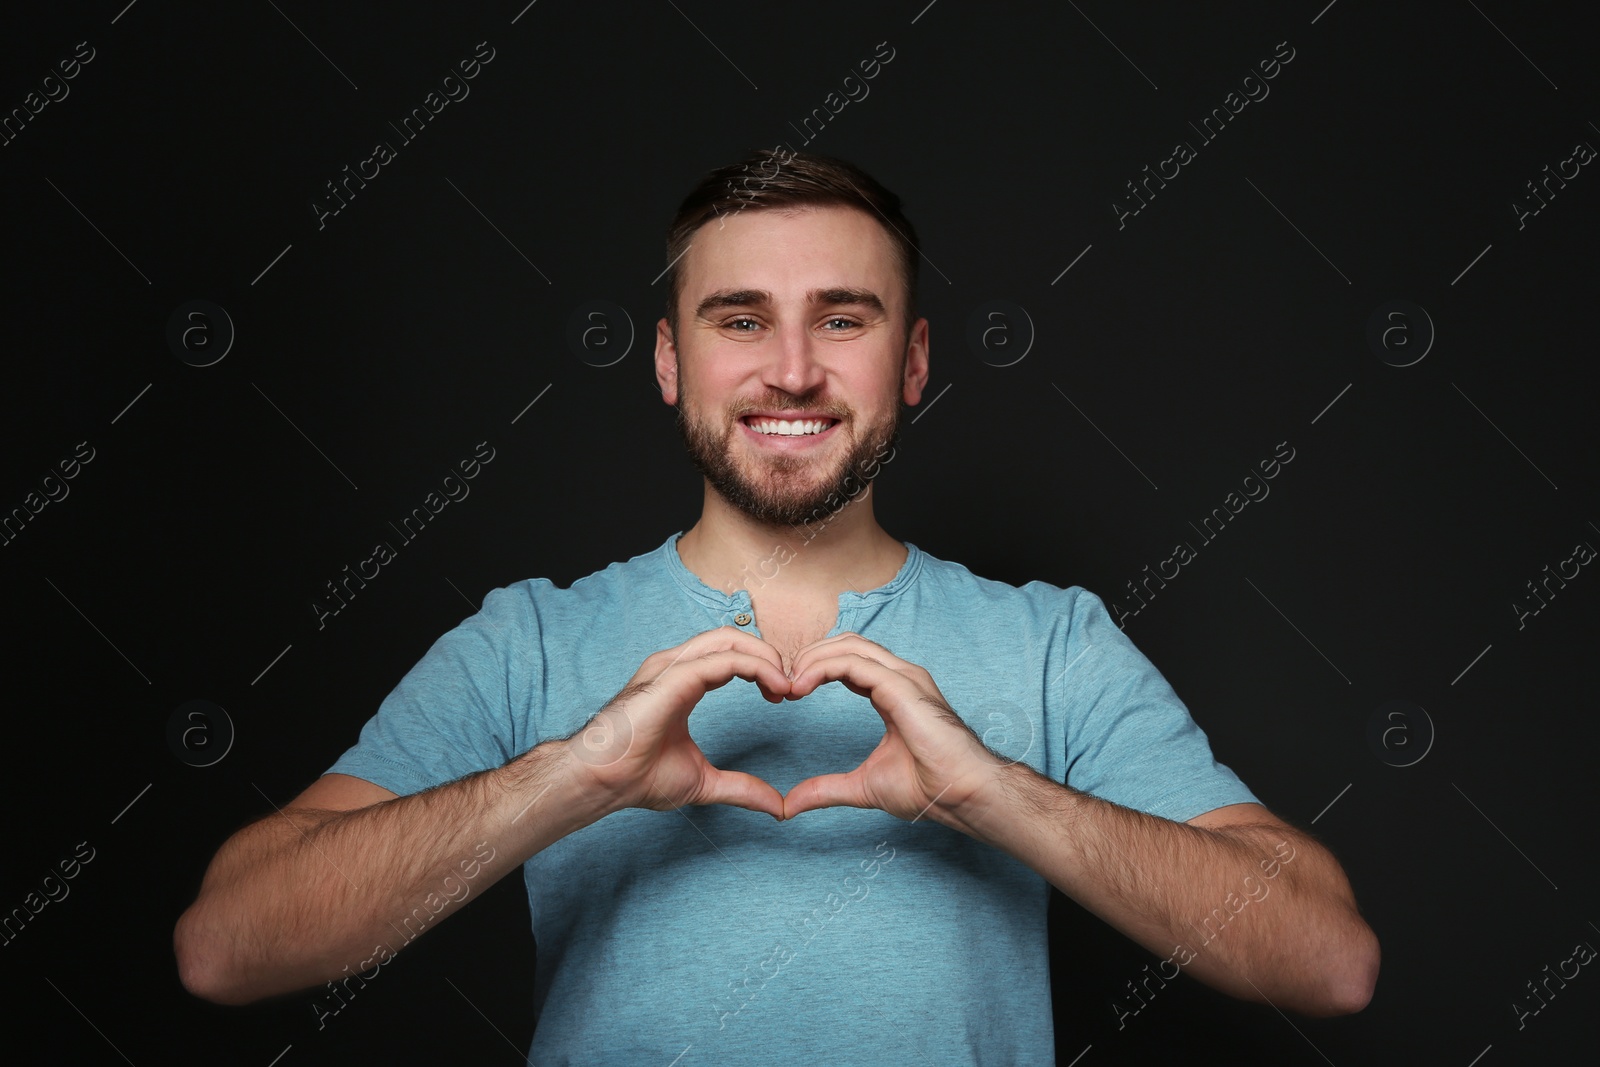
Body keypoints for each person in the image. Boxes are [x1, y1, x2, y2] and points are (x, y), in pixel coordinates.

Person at [174, 148, 1379, 1063]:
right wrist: (575, 776)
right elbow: (227, 946)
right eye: (739, 318)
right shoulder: (527, 640)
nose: (792, 368)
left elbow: (1329, 963)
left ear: (911, 363)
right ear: (667, 362)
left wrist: (989, 791)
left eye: (841, 319)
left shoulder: (1050, 645)